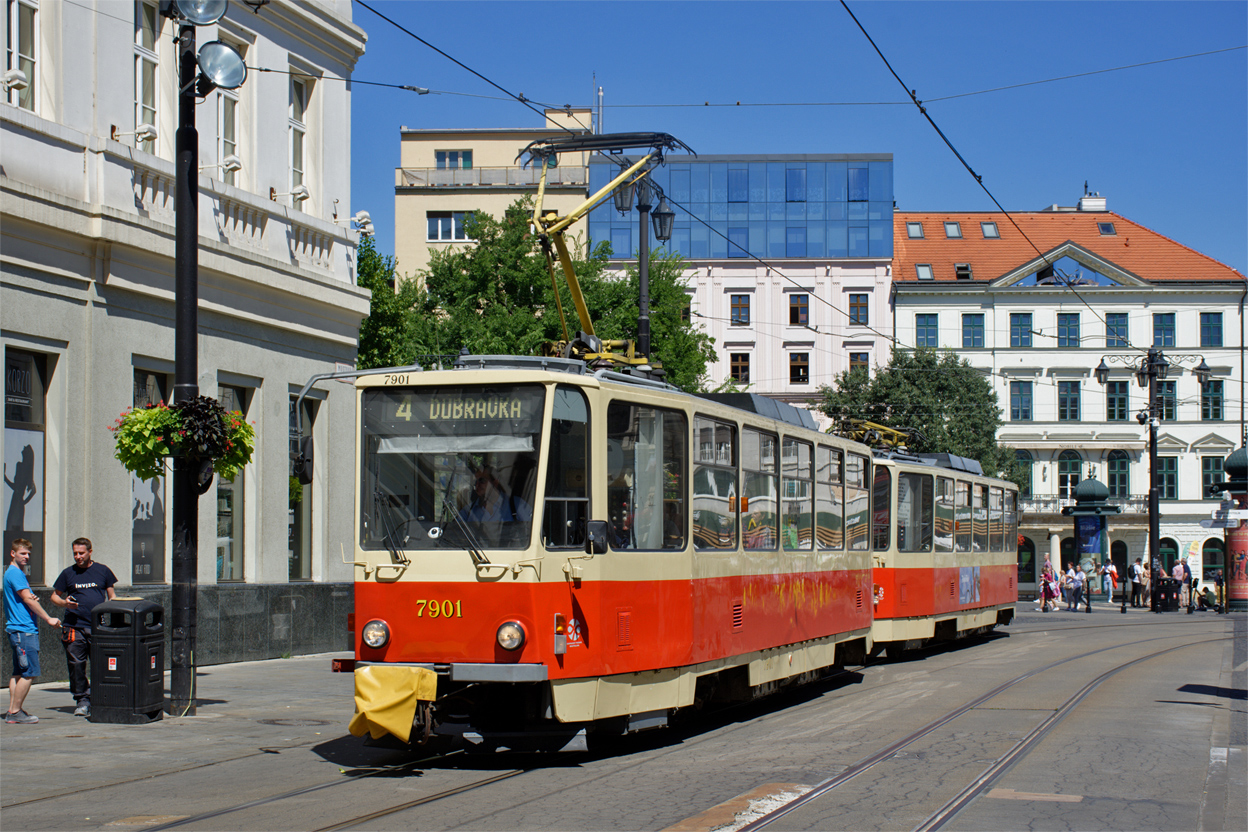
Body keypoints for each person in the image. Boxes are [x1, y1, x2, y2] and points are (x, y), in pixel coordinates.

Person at [50, 538, 117, 718]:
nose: (78, 557)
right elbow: (54, 597)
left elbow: (112, 596)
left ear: (90, 552)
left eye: (81, 553)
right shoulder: (68, 573)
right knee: (76, 665)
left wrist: (110, 612)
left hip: (97, 627)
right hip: (74, 627)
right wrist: (65, 603)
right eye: (75, 553)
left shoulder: (103, 571)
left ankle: (103, 698)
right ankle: (82, 700)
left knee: (103, 665)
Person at [4, 539, 61, 723]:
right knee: (30, 672)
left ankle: (13, 710)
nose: (27, 557)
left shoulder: (12, 573)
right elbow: (29, 600)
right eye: (22, 553)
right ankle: (14, 712)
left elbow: (25, 597)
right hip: (24, 631)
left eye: (28, 554)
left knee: (19, 673)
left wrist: (30, 597)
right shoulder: (16, 574)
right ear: (13, 553)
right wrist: (48, 618)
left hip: (17, 630)